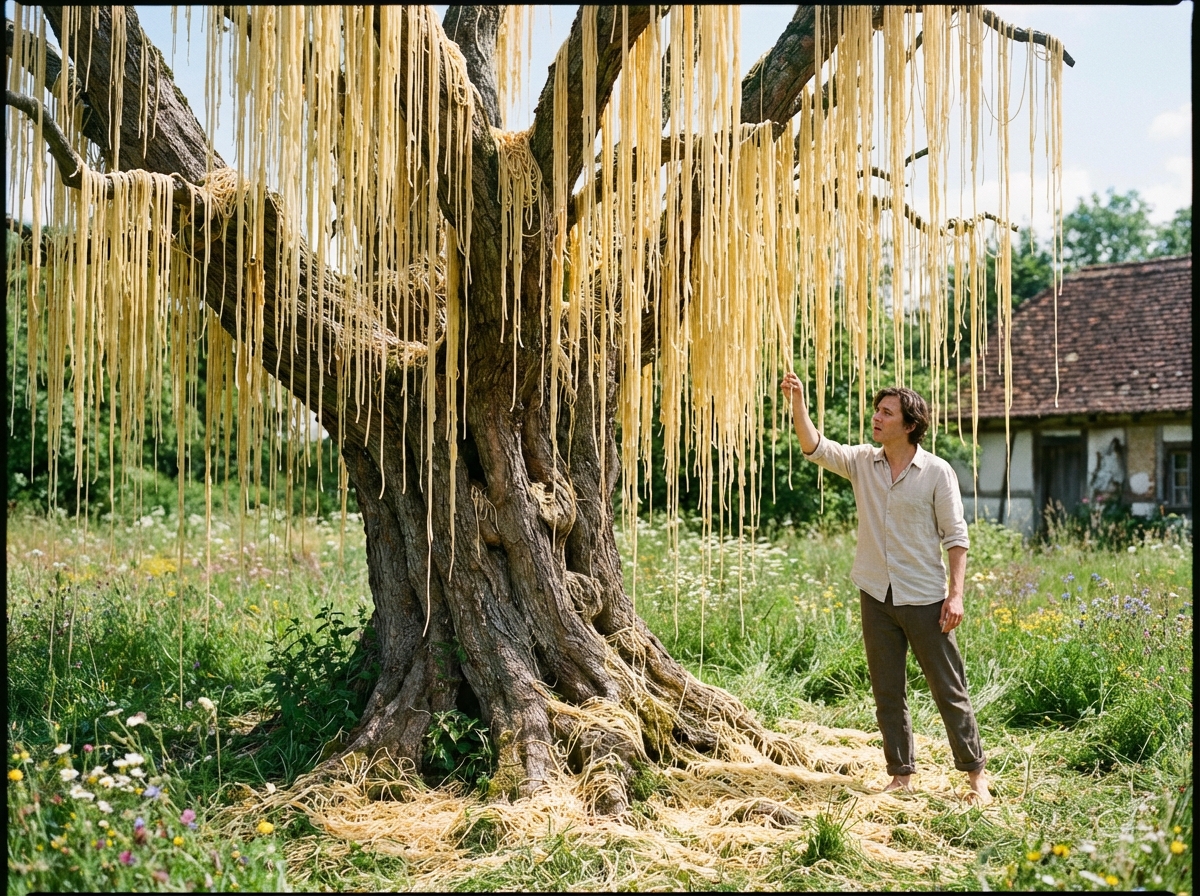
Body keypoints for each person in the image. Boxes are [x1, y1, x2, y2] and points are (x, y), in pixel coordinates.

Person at [780, 372, 990, 804]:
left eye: (886, 412)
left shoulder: (936, 472)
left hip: (926, 598)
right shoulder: (861, 461)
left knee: (948, 689)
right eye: (877, 410)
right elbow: (814, 447)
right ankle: (900, 777)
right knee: (887, 692)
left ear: (909, 424)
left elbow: (956, 537)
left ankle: (975, 777)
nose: (876, 418)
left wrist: (956, 595)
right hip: (876, 594)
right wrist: (797, 401)